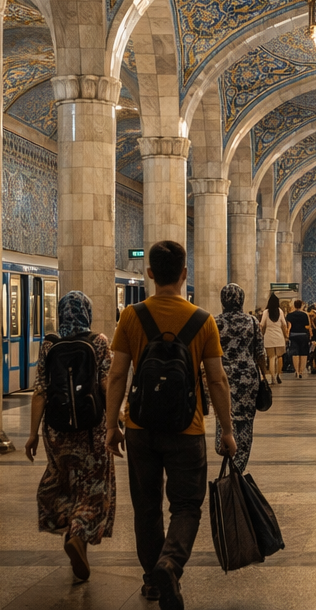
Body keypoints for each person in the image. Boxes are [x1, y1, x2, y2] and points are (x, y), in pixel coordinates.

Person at [106, 240, 238, 610]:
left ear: (149, 273)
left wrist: (110, 426)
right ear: (184, 275)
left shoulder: (131, 316)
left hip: (140, 427)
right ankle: (170, 563)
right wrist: (226, 430)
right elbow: (217, 380)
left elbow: (117, 374)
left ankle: (152, 579)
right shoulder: (202, 320)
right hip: (188, 428)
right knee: (185, 506)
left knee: (146, 506)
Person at [25, 291, 115, 582]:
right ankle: (79, 531)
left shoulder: (49, 345)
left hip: (56, 429)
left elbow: (40, 391)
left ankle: (73, 535)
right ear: (87, 312)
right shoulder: (99, 342)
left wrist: (32, 435)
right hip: (92, 429)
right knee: (94, 484)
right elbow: (105, 384)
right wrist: (116, 422)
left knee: (63, 481)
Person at [214, 283, 265, 472]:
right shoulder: (251, 321)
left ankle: (225, 448)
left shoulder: (215, 322)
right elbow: (260, 353)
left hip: (222, 379)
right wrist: (265, 375)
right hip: (247, 380)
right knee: (245, 421)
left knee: (224, 416)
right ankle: (239, 465)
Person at [261, 293, 286, 384]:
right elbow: (284, 324)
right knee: (279, 357)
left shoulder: (266, 312)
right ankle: (279, 374)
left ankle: (272, 378)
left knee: (271, 357)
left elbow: (262, 324)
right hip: (279, 336)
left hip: (269, 337)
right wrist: (286, 335)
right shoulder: (280, 311)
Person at [285, 298, 312, 379]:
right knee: (303, 353)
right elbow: (308, 326)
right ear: (301, 305)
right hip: (303, 335)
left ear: (294, 305)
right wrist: (310, 334)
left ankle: (296, 371)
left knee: (295, 353)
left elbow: (289, 326)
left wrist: (287, 335)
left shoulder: (289, 315)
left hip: (293, 335)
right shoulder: (305, 315)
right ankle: (301, 371)